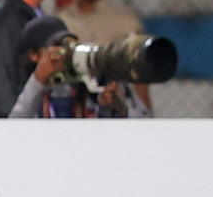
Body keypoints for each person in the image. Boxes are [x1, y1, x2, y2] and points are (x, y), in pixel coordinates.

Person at [57, 0, 152, 113]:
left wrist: (145, 123)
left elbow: (140, 82)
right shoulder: (60, 21)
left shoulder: (125, 22)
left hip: (113, 116)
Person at [8, 15, 150, 119]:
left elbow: (144, 123)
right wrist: (38, 81)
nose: (64, 56)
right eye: (56, 49)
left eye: (68, 46)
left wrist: (117, 110)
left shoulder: (91, 80)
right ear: (34, 55)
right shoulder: (21, 87)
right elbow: (11, 133)